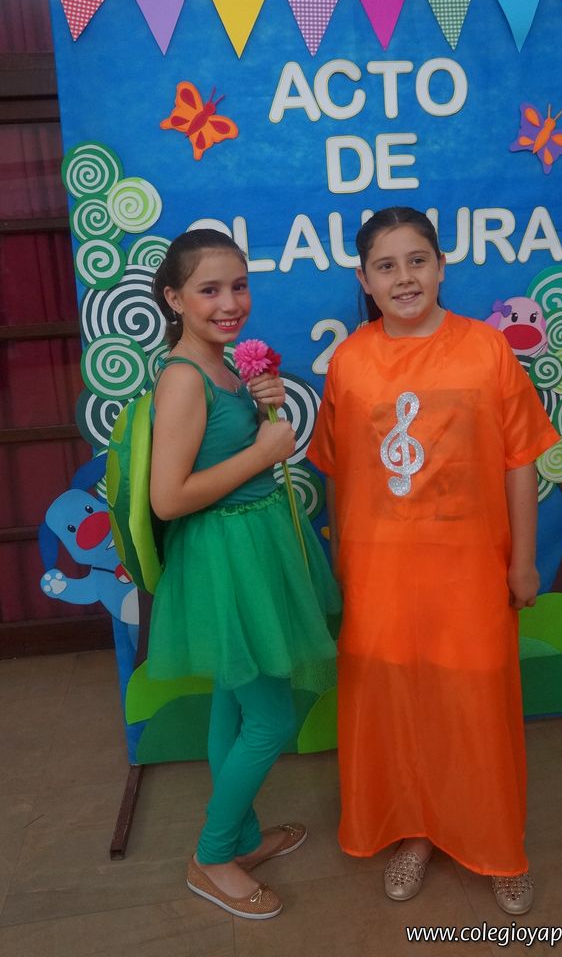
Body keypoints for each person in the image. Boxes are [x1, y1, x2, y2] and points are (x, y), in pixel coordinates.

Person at [307, 207, 559, 915]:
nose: (404, 278)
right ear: (364, 280)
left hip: (471, 569)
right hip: (381, 571)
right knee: (397, 706)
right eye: (385, 266)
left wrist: (523, 561)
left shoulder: (486, 350)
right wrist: (344, 557)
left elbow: (519, 460)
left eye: (417, 260)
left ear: (442, 266)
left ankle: (500, 846)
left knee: (476, 706)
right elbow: (339, 471)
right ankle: (412, 833)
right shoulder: (350, 361)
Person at [148, 228, 340, 920]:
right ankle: (212, 854)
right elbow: (168, 498)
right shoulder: (183, 378)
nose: (230, 302)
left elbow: (228, 447)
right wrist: (264, 451)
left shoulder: (223, 366)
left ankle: (243, 837)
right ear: (175, 298)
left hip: (252, 551)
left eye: (239, 285)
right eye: (209, 289)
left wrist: (262, 407)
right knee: (269, 717)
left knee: (233, 703)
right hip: (228, 561)